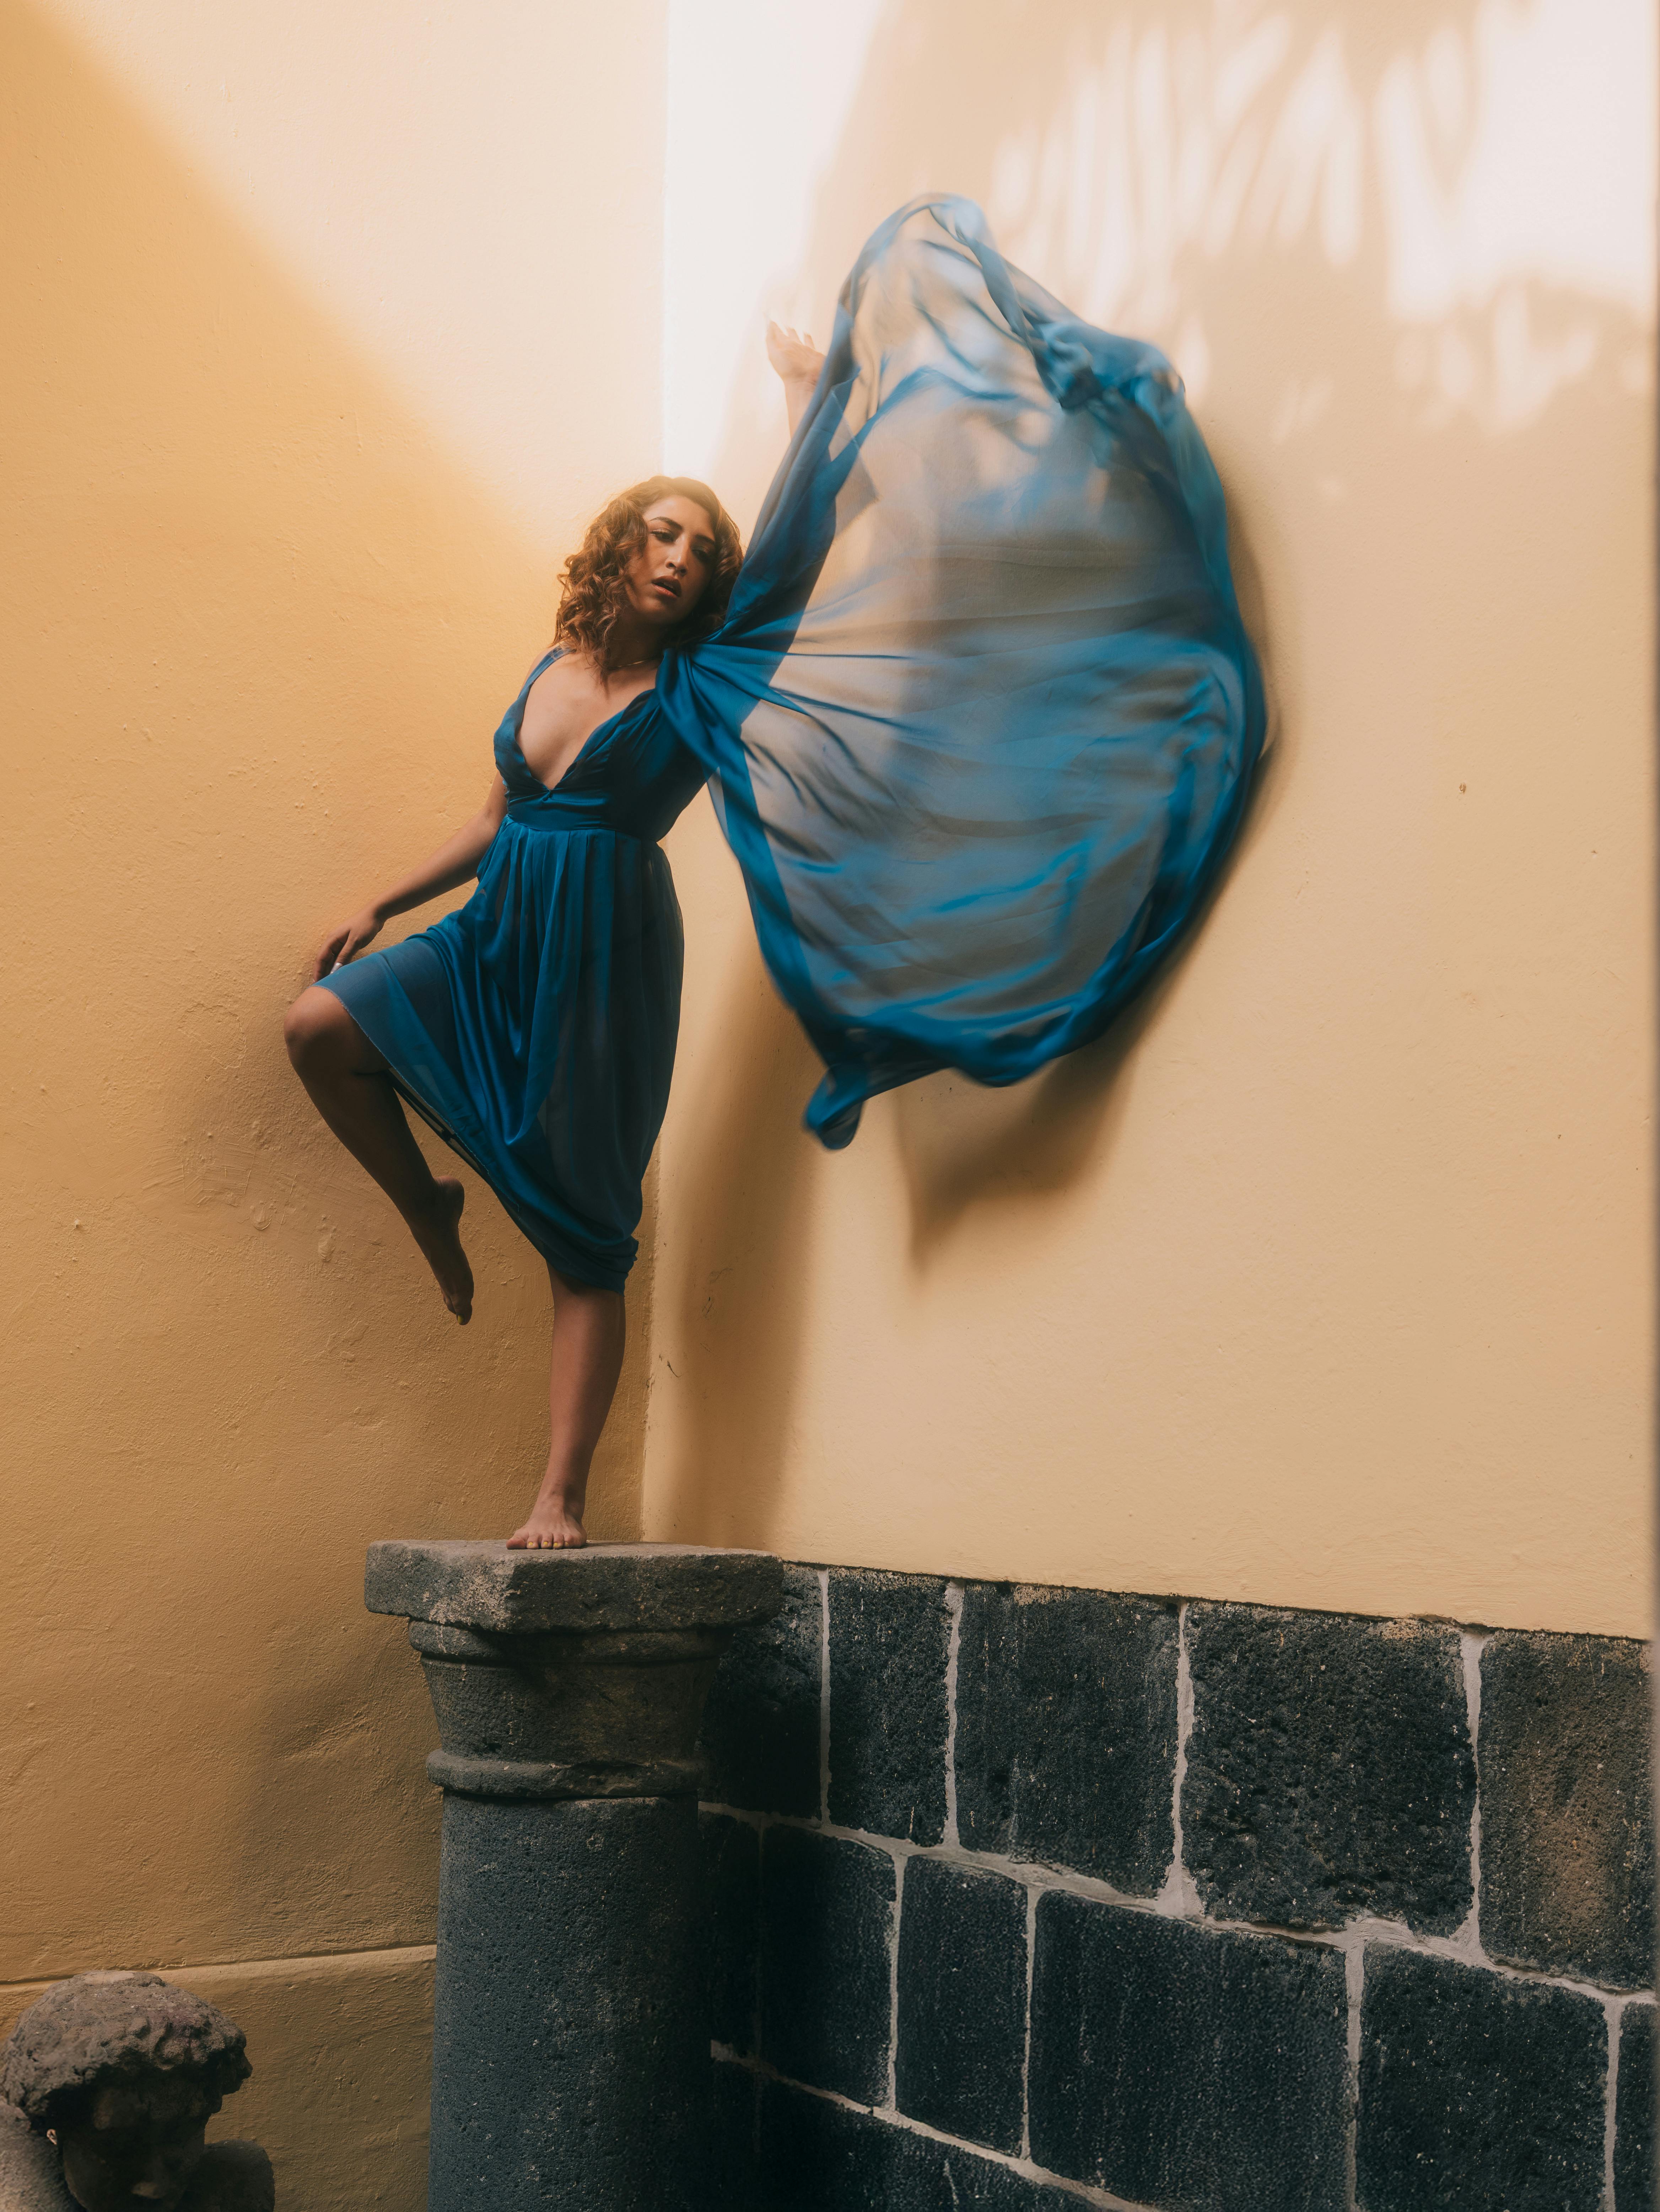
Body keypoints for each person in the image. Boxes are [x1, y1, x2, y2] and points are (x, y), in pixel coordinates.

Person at [286, 195, 1264, 1551]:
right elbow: (498, 813)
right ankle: (431, 1206)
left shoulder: (704, 684)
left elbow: (800, 545)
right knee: (318, 1027)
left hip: (603, 952)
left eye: (700, 547)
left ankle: (557, 1495)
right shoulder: (550, 666)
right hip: (496, 924)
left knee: (585, 1231)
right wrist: (385, 900)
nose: (680, 555)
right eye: (661, 532)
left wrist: (809, 400)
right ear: (619, 541)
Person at [0, 1972, 274, 2211]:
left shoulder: (237, 2187)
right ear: (55, 2133)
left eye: (181, 2136)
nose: (156, 2186)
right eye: (121, 2149)